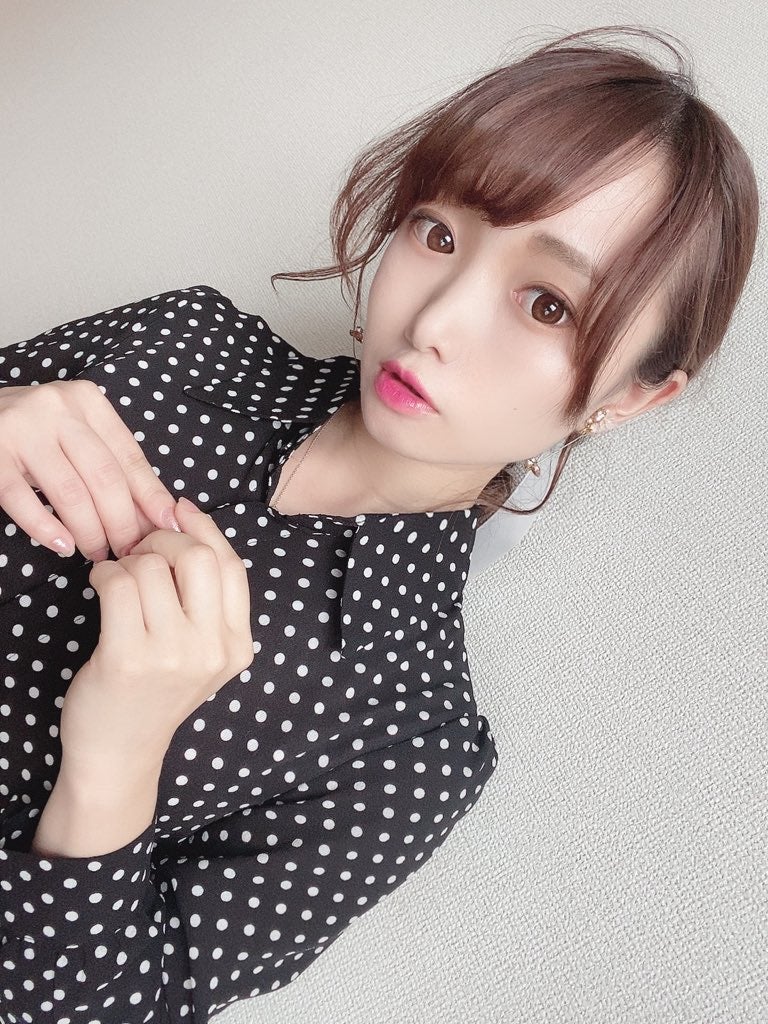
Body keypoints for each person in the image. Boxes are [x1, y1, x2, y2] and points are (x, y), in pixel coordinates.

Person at [0, 24, 759, 1024]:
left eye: (546, 304)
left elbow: (98, 1008)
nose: (433, 320)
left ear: (631, 397)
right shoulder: (181, 341)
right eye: (437, 234)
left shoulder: (413, 741)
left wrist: (113, 765)